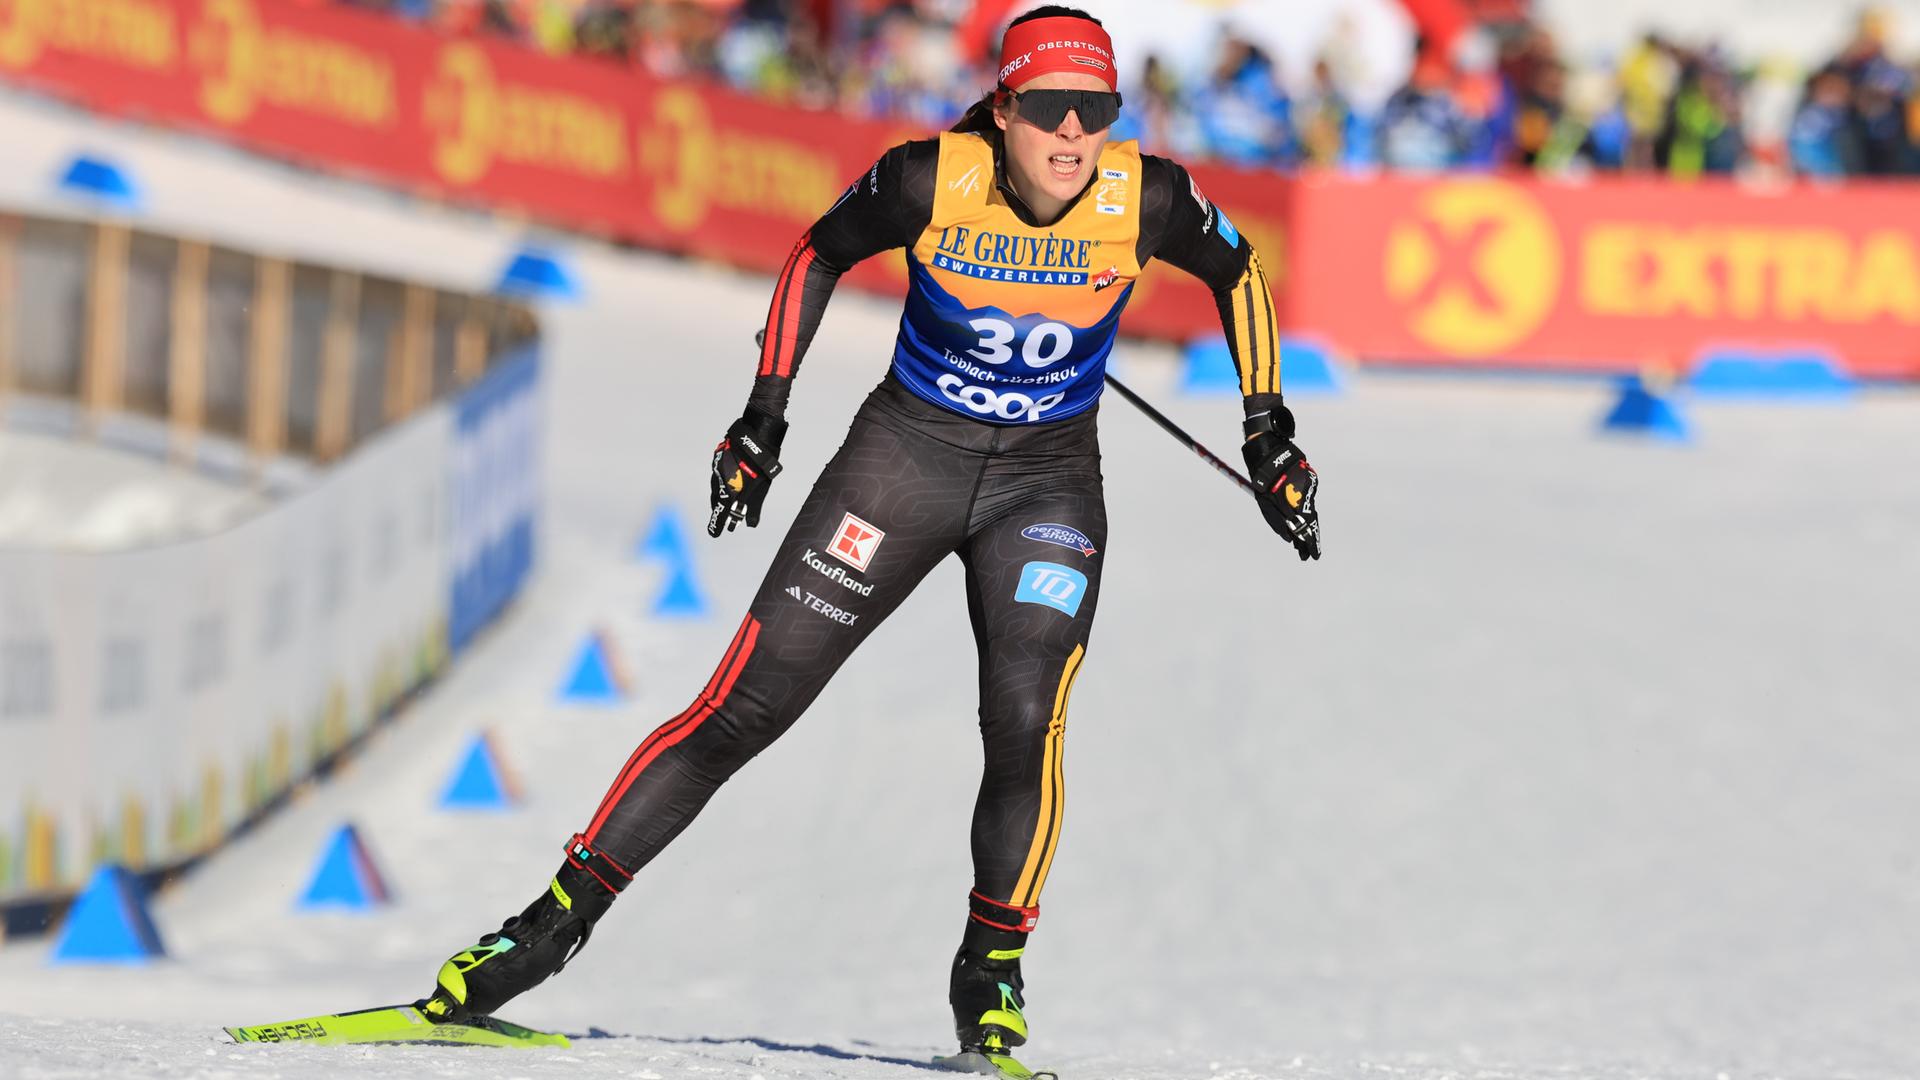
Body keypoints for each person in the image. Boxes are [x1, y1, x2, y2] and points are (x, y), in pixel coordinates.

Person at [415, 6, 1320, 1073]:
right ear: (1002, 106)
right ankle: (549, 925)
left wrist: (1269, 431)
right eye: (1048, 110)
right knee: (745, 707)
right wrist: (763, 418)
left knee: (1027, 718)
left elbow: (1240, 272)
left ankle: (991, 971)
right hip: (904, 463)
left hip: (1046, 485)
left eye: (1097, 112)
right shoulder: (929, 178)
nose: (1073, 135)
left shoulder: (1145, 195)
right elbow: (814, 254)